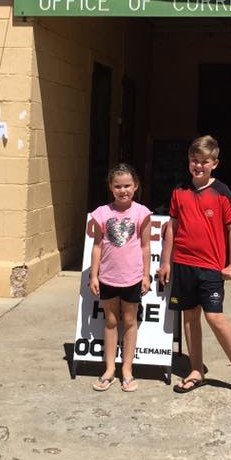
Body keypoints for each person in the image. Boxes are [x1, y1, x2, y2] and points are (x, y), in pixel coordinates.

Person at [158, 135, 231, 401]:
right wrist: (166, 261)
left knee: (215, 318)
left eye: (204, 162)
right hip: (183, 264)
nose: (198, 166)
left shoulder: (221, 192)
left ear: (215, 163)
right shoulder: (179, 190)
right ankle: (195, 370)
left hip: (210, 267)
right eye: (194, 160)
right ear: (188, 161)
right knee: (190, 317)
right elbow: (172, 227)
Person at [88, 163, 152, 393]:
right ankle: (109, 369)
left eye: (127, 185)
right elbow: (97, 246)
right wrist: (93, 275)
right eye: (118, 186)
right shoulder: (102, 213)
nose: (123, 190)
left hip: (132, 278)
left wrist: (146, 275)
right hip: (107, 278)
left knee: (130, 321)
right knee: (111, 321)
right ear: (110, 188)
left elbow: (146, 246)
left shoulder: (142, 213)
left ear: (135, 186)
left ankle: (127, 369)